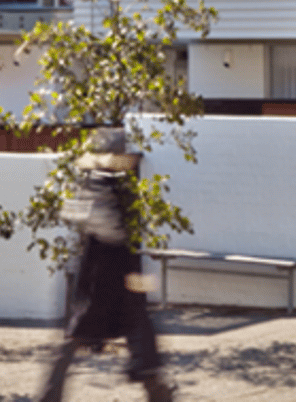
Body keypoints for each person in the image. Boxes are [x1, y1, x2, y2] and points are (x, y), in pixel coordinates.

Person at [35, 128, 174, 402]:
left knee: (112, 331)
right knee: (132, 329)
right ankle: (51, 395)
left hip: (106, 269)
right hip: (110, 269)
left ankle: (51, 394)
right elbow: (94, 221)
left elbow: (76, 215)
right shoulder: (108, 183)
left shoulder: (107, 182)